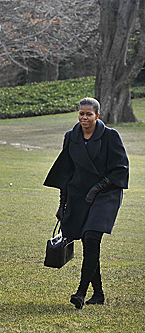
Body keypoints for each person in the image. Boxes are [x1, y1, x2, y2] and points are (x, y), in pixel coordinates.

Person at [44, 97, 129, 309]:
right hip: (78, 195)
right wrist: (62, 205)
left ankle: (81, 292)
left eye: (89, 114)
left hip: (106, 193)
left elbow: (120, 170)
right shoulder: (71, 137)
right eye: (81, 113)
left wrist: (97, 189)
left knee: (92, 238)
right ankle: (98, 293)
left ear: (97, 116)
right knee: (86, 241)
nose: (84, 118)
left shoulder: (110, 136)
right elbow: (66, 173)